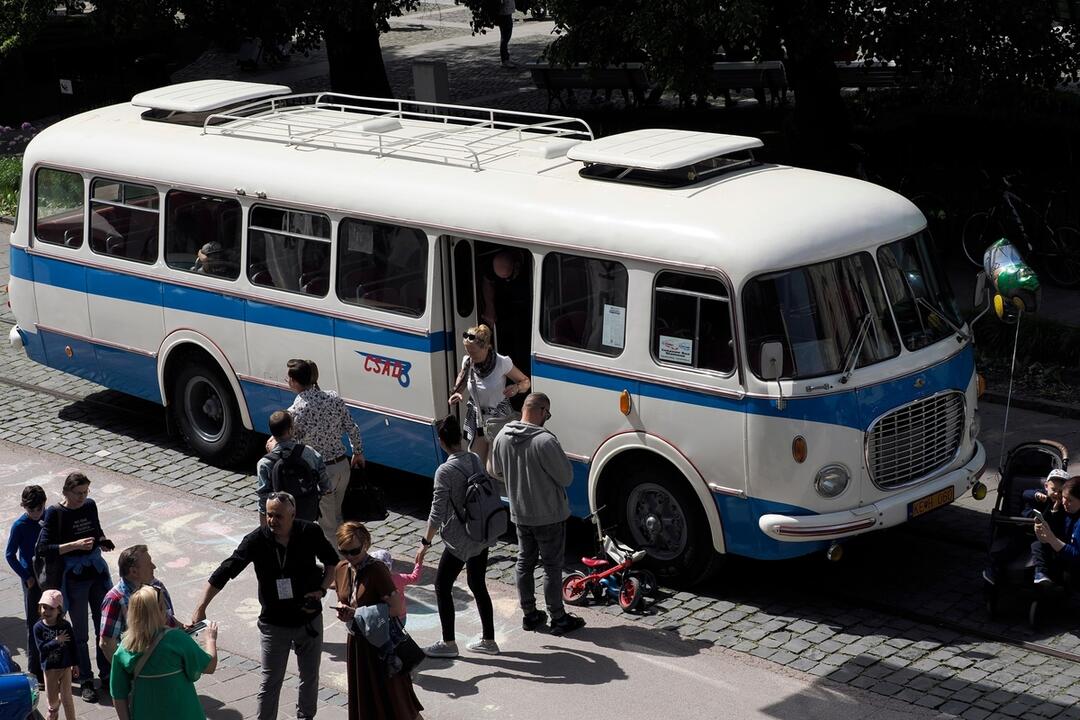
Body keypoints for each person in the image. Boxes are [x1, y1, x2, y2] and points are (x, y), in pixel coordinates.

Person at [192, 492, 338, 720]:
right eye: (269, 515)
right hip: (274, 623)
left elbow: (332, 562)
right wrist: (201, 607)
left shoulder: (309, 532)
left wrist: (321, 589)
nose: (273, 521)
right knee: (271, 681)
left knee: (309, 677)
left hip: (308, 619)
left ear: (293, 514)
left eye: (278, 516)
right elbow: (225, 570)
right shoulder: (257, 540)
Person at [490, 393, 585, 635]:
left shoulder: (502, 436)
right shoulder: (545, 441)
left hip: (520, 513)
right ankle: (558, 617)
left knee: (524, 562)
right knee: (552, 567)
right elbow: (566, 477)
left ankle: (530, 614)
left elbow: (496, 471)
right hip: (549, 515)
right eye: (548, 414)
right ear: (542, 411)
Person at [418, 415, 498, 658]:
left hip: (460, 540)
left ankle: (448, 643)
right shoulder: (474, 458)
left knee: (442, 586)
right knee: (477, 584)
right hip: (481, 533)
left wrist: (425, 543)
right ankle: (489, 640)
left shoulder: (445, 470)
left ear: (441, 441)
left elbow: (437, 511)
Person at [37, 472, 115, 703]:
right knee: (80, 634)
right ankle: (86, 680)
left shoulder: (90, 506)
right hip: (74, 579)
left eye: (85, 492)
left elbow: (96, 530)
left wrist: (102, 541)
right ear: (66, 492)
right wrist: (74, 546)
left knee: (104, 628)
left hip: (97, 574)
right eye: (78, 493)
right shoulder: (55, 513)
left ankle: (107, 674)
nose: (82, 497)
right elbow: (44, 548)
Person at [334, 521, 423, 720]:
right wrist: (342, 611)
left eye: (354, 551)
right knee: (366, 701)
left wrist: (357, 613)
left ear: (366, 545)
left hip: (381, 646)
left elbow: (396, 608)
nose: (349, 557)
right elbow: (343, 599)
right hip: (358, 644)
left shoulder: (377, 570)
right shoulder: (341, 568)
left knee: (399, 703)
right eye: (343, 551)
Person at [279, 359, 365, 543]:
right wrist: (357, 452)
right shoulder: (333, 397)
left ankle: (341, 565)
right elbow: (352, 428)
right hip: (342, 466)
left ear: (294, 381)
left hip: (322, 473)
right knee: (337, 514)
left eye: (288, 378)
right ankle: (348, 548)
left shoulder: (297, 410)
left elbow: (290, 441)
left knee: (328, 526)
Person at [110, 585, 218, 720]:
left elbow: (118, 694)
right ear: (159, 611)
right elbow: (209, 666)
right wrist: (211, 640)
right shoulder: (177, 639)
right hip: (183, 713)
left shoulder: (124, 648)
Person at [448, 324, 530, 470]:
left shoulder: (502, 362)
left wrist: (517, 388)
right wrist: (458, 392)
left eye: (474, 352)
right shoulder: (468, 361)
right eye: (468, 351)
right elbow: (462, 376)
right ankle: (486, 492)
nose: (471, 355)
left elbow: (525, 382)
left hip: (498, 418)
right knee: (476, 466)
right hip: (478, 418)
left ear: (486, 347)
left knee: (493, 469)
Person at [984, 469, 1068, 585]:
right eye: (1054, 490)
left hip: (1039, 536)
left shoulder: (1060, 506)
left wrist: (1056, 509)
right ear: (1046, 486)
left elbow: (1056, 523)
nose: (1056, 494)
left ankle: (1040, 573)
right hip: (1024, 530)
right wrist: (1036, 495)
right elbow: (1025, 493)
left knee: (1038, 548)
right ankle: (994, 567)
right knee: (1012, 548)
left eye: (1060, 492)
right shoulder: (1040, 494)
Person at [99, 545, 180, 662]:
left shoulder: (157, 586)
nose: (154, 566)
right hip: (141, 669)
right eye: (149, 564)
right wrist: (125, 672)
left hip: (168, 659)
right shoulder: (115, 599)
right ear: (134, 571)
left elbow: (169, 618)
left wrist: (183, 627)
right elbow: (107, 644)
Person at [257, 410, 331, 525]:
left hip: (280, 518)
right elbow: (325, 483)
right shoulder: (308, 452)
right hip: (306, 513)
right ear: (291, 429)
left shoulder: (265, 462)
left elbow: (263, 495)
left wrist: (264, 521)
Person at [6, 484, 46, 688]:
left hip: (49, 574)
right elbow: (9, 555)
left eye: (39, 509)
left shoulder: (48, 517)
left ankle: (56, 663)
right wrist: (26, 577)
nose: (36, 514)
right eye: (31, 510)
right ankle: (35, 668)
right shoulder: (20, 525)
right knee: (33, 621)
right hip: (31, 578)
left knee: (55, 617)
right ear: (24, 507)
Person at [479, 248, 531, 370]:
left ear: (517, 266)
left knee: (521, 346)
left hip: (523, 309)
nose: (506, 281)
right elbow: (488, 281)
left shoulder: (528, 267)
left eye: (508, 278)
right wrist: (490, 307)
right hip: (503, 309)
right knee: (505, 345)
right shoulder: (494, 264)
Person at [34, 589, 77, 720]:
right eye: (44, 607)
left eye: (51, 608)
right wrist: (56, 641)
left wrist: (75, 664)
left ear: (59, 610)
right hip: (50, 668)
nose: (46, 612)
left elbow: (72, 646)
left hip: (65, 666)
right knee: (52, 703)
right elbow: (42, 648)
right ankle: (53, 712)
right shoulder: (38, 628)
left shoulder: (65, 625)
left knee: (67, 699)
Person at [1033, 475, 1080, 585]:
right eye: (1064, 497)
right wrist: (1042, 533)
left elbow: (1076, 555)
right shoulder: (1066, 508)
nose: (1064, 502)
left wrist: (1051, 539)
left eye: (1069, 500)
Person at [369, 549, 424, 626]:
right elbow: (415, 578)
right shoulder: (399, 578)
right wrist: (419, 563)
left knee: (383, 635)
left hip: (382, 617)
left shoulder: (371, 582)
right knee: (397, 635)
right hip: (400, 616)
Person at [495, 0, 517, 68]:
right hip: (504, 13)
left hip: (506, 12)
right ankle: (505, 60)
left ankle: (505, 58)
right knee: (505, 37)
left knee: (505, 37)